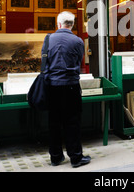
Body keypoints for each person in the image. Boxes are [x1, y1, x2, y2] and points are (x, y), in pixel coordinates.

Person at [43, 11, 91, 168]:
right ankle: (76, 158)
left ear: (58, 24)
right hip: (71, 86)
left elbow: (44, 62)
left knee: (54, 122)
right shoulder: (78, 41)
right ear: (72, 24)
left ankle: (56, 157)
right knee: (72, 123)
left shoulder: (48, 39)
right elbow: (79, 61)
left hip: (52, 86)